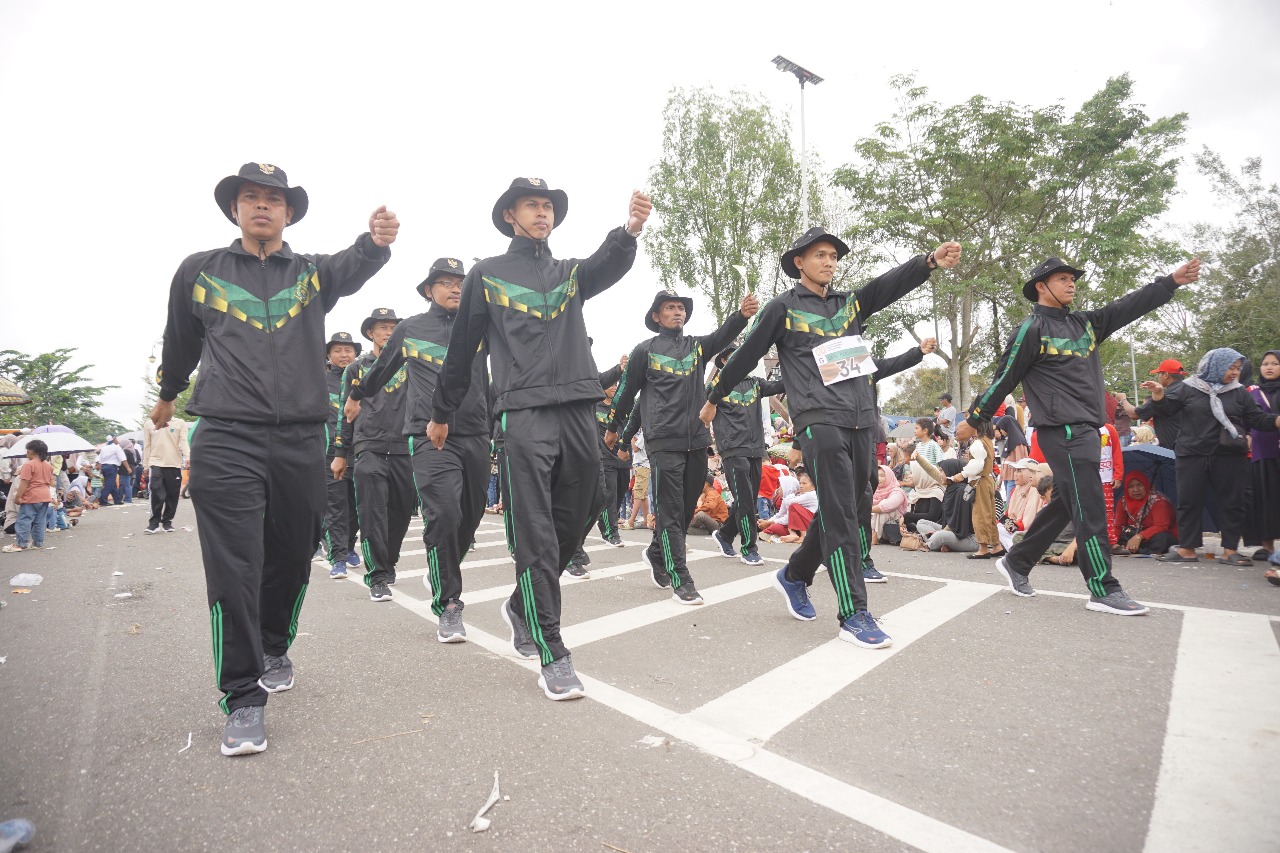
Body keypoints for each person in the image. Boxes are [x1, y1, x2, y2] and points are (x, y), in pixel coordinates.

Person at [151, 161, 398, 755]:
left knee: (292, 554)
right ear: (235, 208)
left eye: (274, 199)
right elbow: (179, 342)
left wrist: (376, 242)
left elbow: (351, 265)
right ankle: (241, 694)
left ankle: (273, 642)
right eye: (251, 197)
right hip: (227, 435)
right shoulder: (200, 271)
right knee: (233, 565)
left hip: (300, 438)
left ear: (289, 212)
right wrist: (166, 398)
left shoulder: (310, 275)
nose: (262, 206)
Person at [428, 178, 650, 701]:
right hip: (523, 412)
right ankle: (551, 646)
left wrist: (629, 231)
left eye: (548, 206)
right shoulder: (487, 275)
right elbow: (462, 352)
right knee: (535, 529)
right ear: (510, 215)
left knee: (589, 504)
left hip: (577, 406)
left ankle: (521, 603)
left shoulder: (568, 274)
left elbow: (604, 267)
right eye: (532, 205)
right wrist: (442, 411)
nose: (542, 213)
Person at [704, 226, 962, 647]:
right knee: (841, 511)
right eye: (819, 254)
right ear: (799, 263)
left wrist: (927, 262)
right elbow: (747, 355)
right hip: (817, 420)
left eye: (833, 255)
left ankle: (794, 574)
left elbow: (885, 287)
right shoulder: (782, 308)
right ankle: (854, 614)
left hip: (861, 419)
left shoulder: (849, 305)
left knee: (852, 505)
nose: (828, 261)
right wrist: (714, 397)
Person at [959, 255, 1201, 615]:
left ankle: (1018, 561)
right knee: (1090, 508)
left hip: (1090, 430)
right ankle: (1103, 588)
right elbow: (1004, 377)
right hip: (1061, 431)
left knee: (1068, 502)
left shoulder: (1087, 324)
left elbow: (1128, 306)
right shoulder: (1031, 329)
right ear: (1041, 287)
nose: (1071, 283)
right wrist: (976, 419)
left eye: (1073, 278)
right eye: (1062, 278)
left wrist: (1170, 282)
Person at [351, 258, 491, 640]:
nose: (455, 289)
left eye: (460, 283)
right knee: (443, 512)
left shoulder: (481, 325)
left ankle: (441, 566)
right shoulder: (411, 329)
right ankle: (449, 604)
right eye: (445, 283)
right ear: (429, 290)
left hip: (477, 432)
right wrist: (357, 393)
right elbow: (380, 372)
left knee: (470, 514)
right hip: (428, 435)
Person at [608, 290, 756, 603]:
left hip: (697, 441)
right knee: (671, 512)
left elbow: (721, 335)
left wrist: (741, 316)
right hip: (662, 443)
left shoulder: (696, 347)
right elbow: (625, 394)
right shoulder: (644, 351)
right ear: (656, 316)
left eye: (680, 308)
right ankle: (681, 579)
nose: (677, 312)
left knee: (685, 510)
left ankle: (656, 552)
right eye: (669, 308)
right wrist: (614, 429)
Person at [1146, 348, 1280, 566]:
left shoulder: (1239, 392)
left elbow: (1256, 418)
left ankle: (1229, 551)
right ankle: (1187, 549)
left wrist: (1276, 421)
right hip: (1192, 454)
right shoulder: (1189, 388)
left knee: (1232, 503)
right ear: (1214, 366)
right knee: (1189, 502)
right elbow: (1166, 410)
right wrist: (1159, 395)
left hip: (1229, 456)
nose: (1235, 372)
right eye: (1231, 367)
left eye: (1238, 368)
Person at [334, 308, 413, 602]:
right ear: (371, 333)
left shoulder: (411, 363)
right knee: (372, 513)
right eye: (382, 327)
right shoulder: (356, 368)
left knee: (402, 510)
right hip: (368, 447)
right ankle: (377, 575)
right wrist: (340, 452)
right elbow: (346, 411)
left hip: (405, 447)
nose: (388, 332)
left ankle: (389, 561)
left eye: (393, 327)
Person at [705, 346, 785, 566]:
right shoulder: (716, 386)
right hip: (731, 448)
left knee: (747, 499)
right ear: (723, 361)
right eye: (735, 357)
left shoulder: (755, 384)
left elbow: (781, 384)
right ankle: (749, 547)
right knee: (744, 498)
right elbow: (700, 410)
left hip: (755, 448)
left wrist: (798, 365)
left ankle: (725, 534)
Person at [320, 332, 361, 579]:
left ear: (356, 354)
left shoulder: (363, 379)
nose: (343, 355)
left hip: (361, 451)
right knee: (336, 506)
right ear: (328, 355)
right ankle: (338, 557)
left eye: (348, 350)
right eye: (338, 350)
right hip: (329, 454)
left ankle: (349, 545)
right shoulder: (319, 380)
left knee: (357, 506)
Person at [1249, 351, 1280, 571]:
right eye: (1265, 363)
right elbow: (1251, 417)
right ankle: (1268, 547)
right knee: (1265, 499)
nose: (1269, 367)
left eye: (1275, 363)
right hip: (1262, 451)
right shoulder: (1253, 392)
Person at [912, 456, 977, 552]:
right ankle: (942, 544)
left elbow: (957, 522)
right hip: (951, 532)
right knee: (921, 523)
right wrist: (917, 457)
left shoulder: (962, 491)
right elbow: (931, 471)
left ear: (952, 472)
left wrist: (940, 532)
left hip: (968, 538)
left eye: (942, 471)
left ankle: (928, 544)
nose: (940, 474)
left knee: (940, 536)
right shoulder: (951, 488)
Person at [1121, 358, 1186, 448]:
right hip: (1194, 448)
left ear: (1166, 375)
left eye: (1159, 374)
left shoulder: (1165, 396)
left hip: (1173, 451)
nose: (1158, 377)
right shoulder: (1190, 390)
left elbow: (1134, 414)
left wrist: (1123, 399)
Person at [3, 440, 53, 553]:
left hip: (31, 496)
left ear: (30, 451)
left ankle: (21, 543)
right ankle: (37, 543)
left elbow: (24, 483)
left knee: (24, 520)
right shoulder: (48, 465)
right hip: (45, 495)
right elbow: (50, 481)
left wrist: (18, 497)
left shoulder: (28, 465)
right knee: (40, 521)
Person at [143, 417, 190, 534]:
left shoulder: (180, 423)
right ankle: (154, 523)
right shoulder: (149, 424)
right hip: (156, 462)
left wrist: (188, 456)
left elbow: (184, 441)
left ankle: (167, 522)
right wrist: (145, 465)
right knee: (156, 491)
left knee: (172, 495)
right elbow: (147, 445)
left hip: (174, 463)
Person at [1114, 470, 1177, 556]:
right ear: (1126, 488)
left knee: (1162, 539)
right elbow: (1118, 526)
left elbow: (1161, 526)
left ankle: (1132, 548)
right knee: (1113, 536)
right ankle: (1134, 547)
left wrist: (1139, 537)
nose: (1135, 490)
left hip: (1153, 536)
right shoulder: (1123, 502)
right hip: (1133, 534)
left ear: (1146, 485)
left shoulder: (1159, 501)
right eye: (1131, 486)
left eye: (1139, 485)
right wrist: (1113, 542)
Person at [994, 414, 1029, 499]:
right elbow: (1005, 461)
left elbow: (1021, 463)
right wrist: (1001, 480)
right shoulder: (1010, 441)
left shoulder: (1018, 442)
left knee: (1012, 502)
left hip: (1014, 479)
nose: (1001, 431)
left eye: (1001, 428)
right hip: (1008, 478)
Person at [870, 465, 906, 544]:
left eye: (882, 476)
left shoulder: (897, 491)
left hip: (895, 526)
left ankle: (875, 536)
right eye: (877, 475)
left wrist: (867, 509)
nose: (879, 478)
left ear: (889, 476)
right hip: (881, 527)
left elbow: (888, 505)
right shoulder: (875, 491)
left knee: (882, 511)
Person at [688, 471, 729, 536]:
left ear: (705, 485)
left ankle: (687, 526)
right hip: (710, 523)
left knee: (700, 515)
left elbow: (710, 506)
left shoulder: (713, 494)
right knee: (686, 526)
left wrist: (696, 510)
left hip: (719, 525)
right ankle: (703, 531)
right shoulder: (705, 495)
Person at [96, 435, 127, 506]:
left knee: (112, 484)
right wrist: (128, 468)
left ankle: (117, 499)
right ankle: (103, 500)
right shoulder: (116, 447)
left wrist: (100, 469)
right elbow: (123, 458)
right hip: (111, 467)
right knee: (109, 484)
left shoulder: (104, 448)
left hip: (104, 467)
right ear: (114, 439)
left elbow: (100, 460)